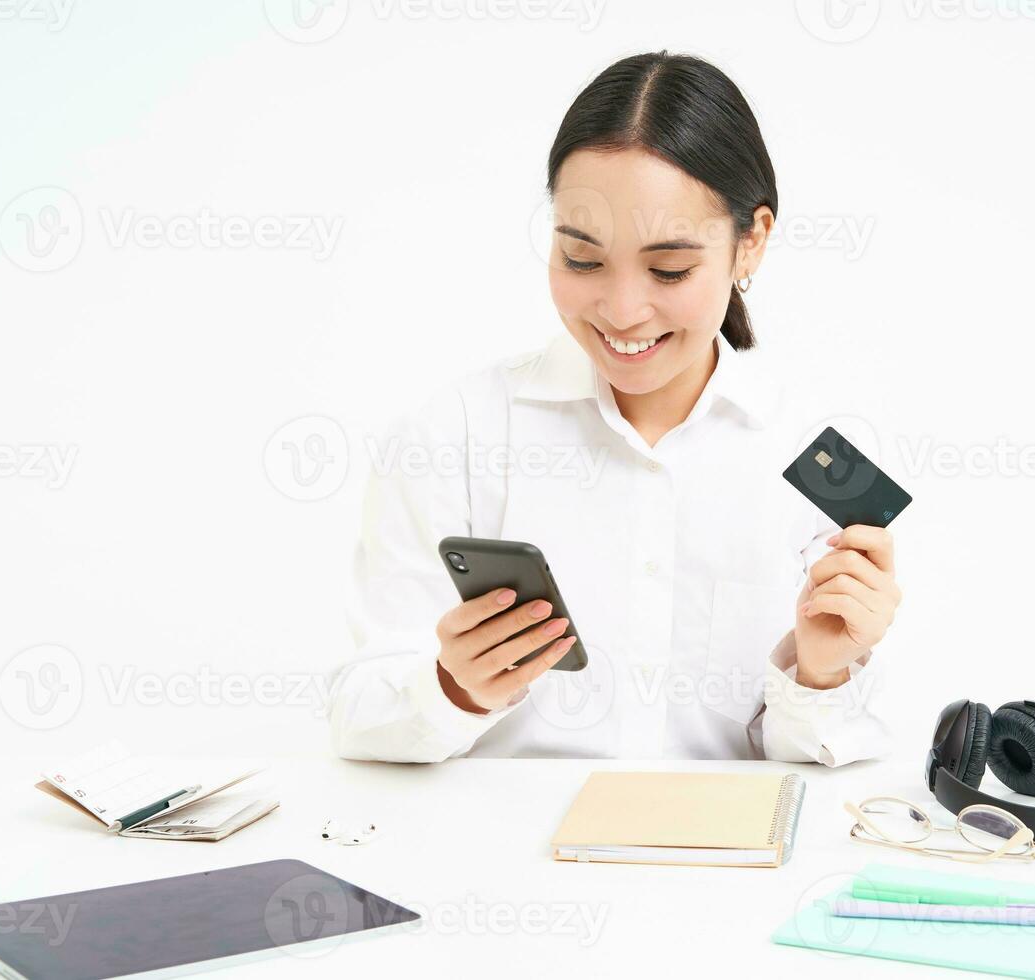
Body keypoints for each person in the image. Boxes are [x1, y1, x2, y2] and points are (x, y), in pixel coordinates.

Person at [328, 51, 899, 766]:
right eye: (582, 258)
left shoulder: (809, 457)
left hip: (718, 869)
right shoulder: (454, 435)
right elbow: (357, 716)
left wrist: (819, 673)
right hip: (500, 867)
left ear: (751, 242)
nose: (624, 310)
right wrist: (453, 689)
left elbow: (806, 771)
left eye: (669, 269)